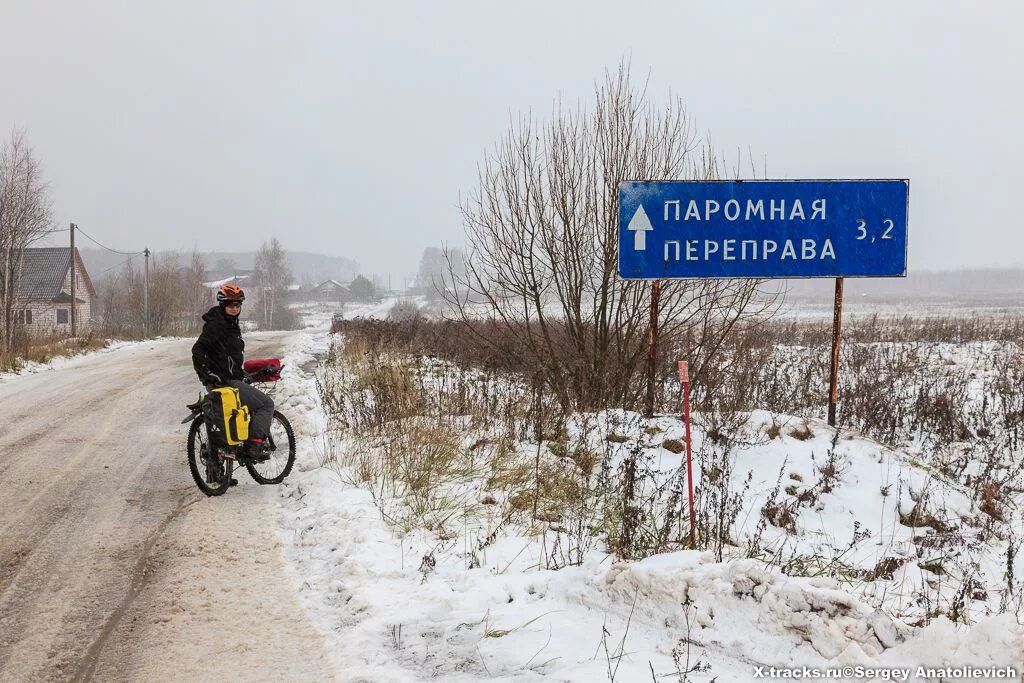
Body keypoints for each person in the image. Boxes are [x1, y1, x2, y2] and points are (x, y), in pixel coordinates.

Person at [191, 284, 274, 455]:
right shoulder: (217, 325)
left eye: (238, 305)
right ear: (223, 305)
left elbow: (227, 357)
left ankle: (219, 473)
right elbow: (198, 350)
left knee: (227, 418)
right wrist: (206, 374)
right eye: (231, 305)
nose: (235, 309)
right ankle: (254, 445)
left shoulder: (229, 324)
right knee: (266, 404)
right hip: (224, 382)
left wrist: (243, 372)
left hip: (226, 378)